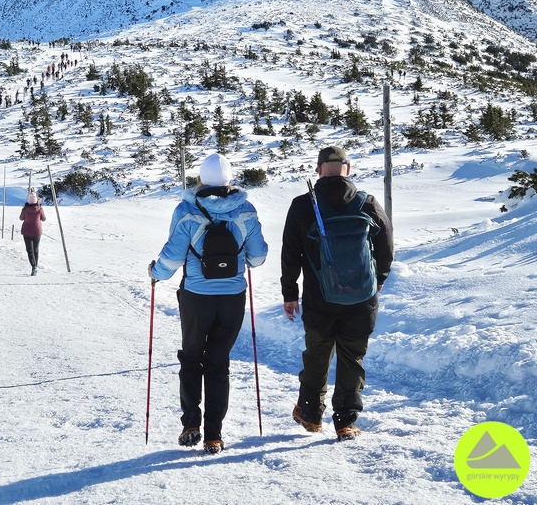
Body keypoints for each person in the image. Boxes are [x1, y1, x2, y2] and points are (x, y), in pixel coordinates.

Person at [149, 153, 268, 454]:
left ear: (200, 178)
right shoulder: (245, 210)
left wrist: (156, 273)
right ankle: (214, 435)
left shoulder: (187, 210)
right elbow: (258, 257)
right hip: (232, 297)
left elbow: (173, 256)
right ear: (229, 179)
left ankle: (191, 423)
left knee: (191, 358)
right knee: (218, 363)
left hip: (196, 296)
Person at [281, 146, 393, 442]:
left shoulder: (303, 205)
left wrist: (289, 293)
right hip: (362, 298)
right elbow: (386, 245)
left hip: (319, 298)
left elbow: (290, 253)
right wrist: (379, 278)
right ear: (348, 168)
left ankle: (310, 412)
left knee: (317, 354)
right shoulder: (367, 202)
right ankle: (345, 421)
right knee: (352, 357)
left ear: (319, 169)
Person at [19, 191, 47, 276]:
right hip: (37, 231)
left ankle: (34, 266)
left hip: (27, 231)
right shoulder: (40, 209)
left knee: (30, 250)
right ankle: (35, 267)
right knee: (36, 249)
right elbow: (44, 219)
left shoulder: (25, 209)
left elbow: (21, 218)